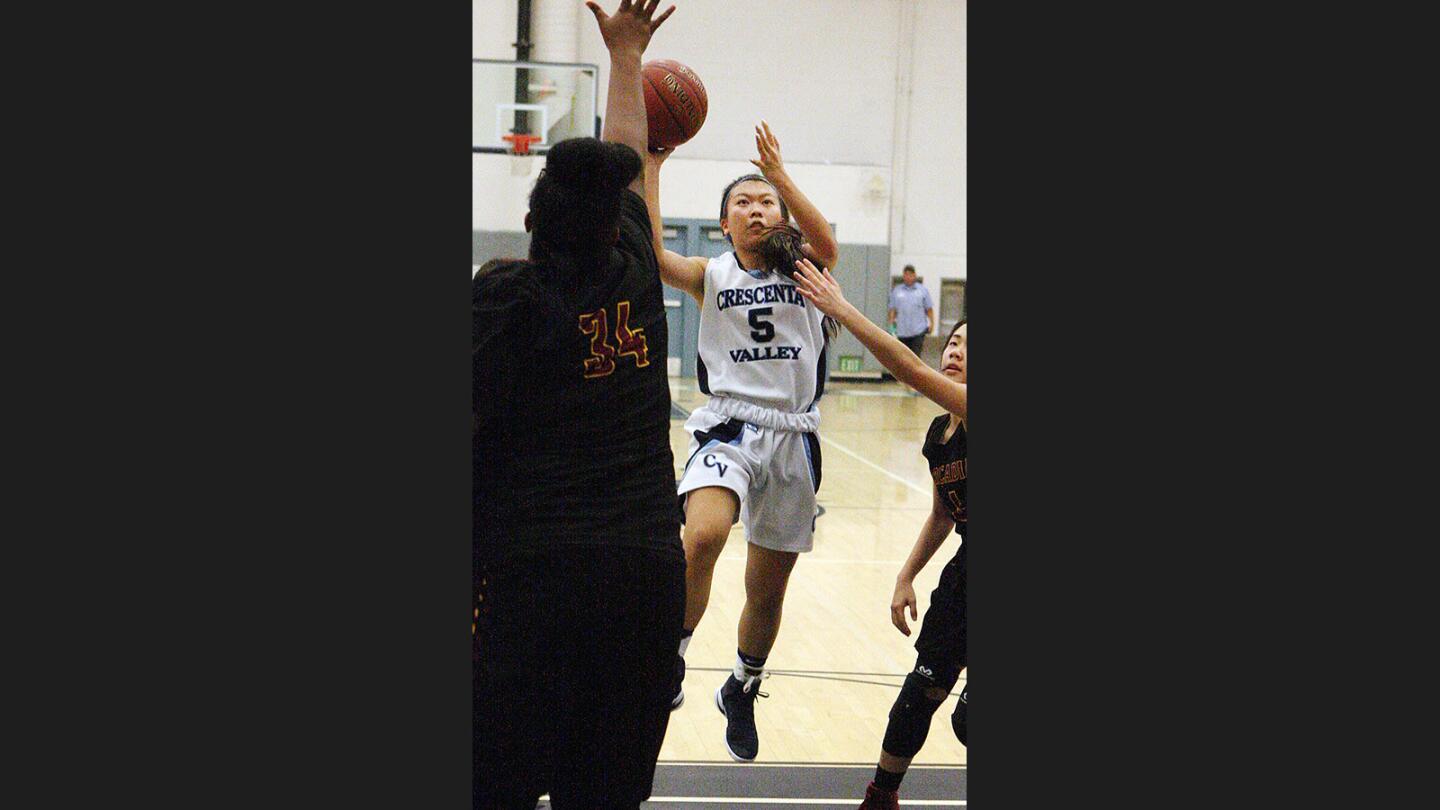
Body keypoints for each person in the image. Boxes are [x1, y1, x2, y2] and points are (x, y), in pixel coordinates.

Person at [472, 2, 680, 808]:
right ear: (612, 221)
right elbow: (626, 155)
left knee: (498, 782)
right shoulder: (635, 266)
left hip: (535, 576)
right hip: (642, 577)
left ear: (532, 223)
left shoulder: (504, 299)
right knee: (606, 789)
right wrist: (626, 56)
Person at [642, 120, 839, 762]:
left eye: (766, 202)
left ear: (781, 217)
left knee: (766, 588)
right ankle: (673, 654)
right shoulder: (711, 272)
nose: (755, 210)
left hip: (793, 437)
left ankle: (743, 685)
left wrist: (781, 174)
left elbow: (830, 242)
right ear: (724, 223)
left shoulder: (808, 269)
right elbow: (653, 255)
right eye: (742, 202)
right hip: (728, 423)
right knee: (701, 536)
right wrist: (653, 166)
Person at [790, 259, 966, 810]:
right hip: (967, 573)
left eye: (970, 344)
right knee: (921, 691)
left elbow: (911, 370)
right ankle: (880, 796)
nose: (956, 349)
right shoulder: (942, 433)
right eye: (954, 342)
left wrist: (842, 310)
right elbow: (943, 513)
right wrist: (906, 573)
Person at [887, 265, 934, 374]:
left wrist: (932, 324)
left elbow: (929, 309)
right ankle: (903, 379)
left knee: (915, 357)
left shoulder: (922, 291)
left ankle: (915, 379)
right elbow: (892, 310)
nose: (908, 277)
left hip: (918, 330)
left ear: (914, 276)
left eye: (910, 275)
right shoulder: (897, 291)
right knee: (902, 357)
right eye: (905, 275)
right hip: (902, 331)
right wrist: (891, 326)